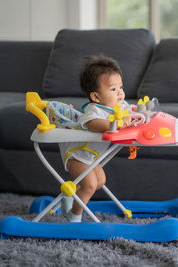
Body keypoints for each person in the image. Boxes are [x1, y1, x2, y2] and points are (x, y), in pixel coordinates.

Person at [60, 55, 131, 222]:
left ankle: (69, 194)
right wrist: (114, 123)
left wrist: (138, 117)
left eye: (121, 87)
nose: (120, 92)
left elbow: (130, 113)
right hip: (77, 154)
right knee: (90, 185)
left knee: (100, 181)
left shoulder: (120, 107)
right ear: (96, 97)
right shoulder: (94, 110)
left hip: (92, 156)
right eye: (113, 89)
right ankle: (74, 216)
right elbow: (92, 124)